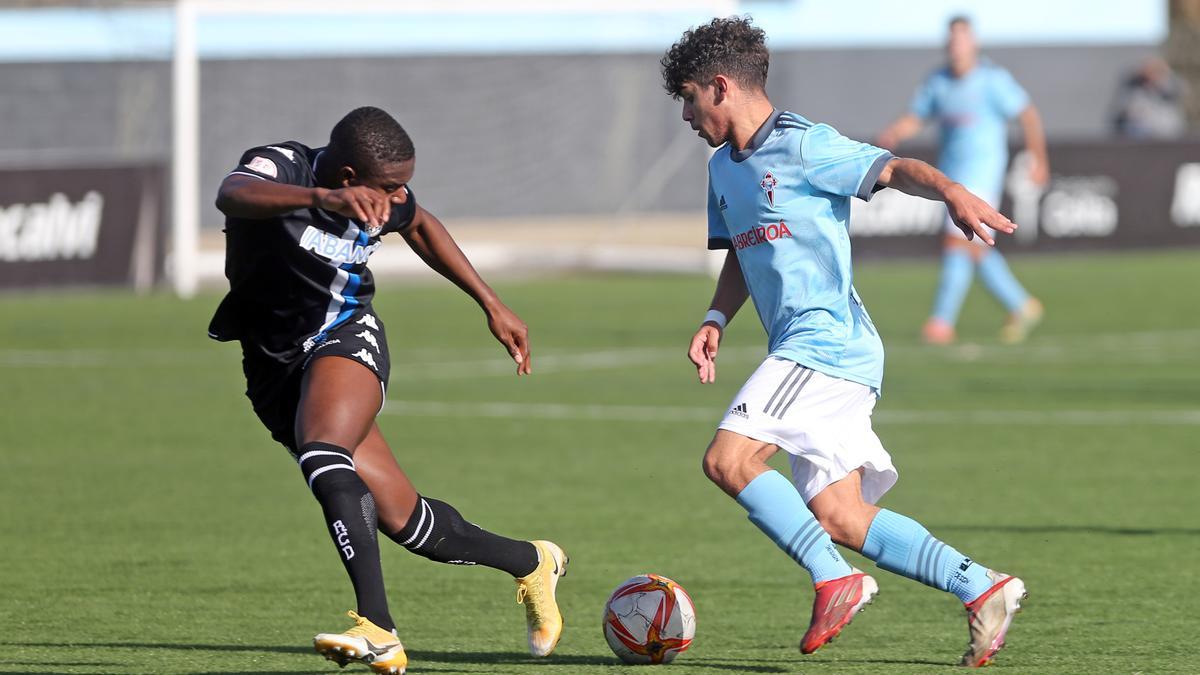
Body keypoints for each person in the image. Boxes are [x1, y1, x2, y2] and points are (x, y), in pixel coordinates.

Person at [661, 17, 1026, 667]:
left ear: (720, 87)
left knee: (728, 460)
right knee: (842, 517)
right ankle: (983, 585)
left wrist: (951, 192)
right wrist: (716, 318)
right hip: (818, 352)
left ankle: (836, 579)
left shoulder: (806, 145)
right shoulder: (723, 170)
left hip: (826, 344)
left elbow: (894, 167)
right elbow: (745, 252)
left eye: (689, 98)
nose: (686, 116)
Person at [208, 106, 567, 674]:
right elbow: (233, 194)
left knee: (322, 450)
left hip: (345, 336)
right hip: (272, 363)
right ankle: (533, 560)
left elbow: (422, 224)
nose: (401, 196)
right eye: (391, 186)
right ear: (348, 178)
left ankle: (378, 627)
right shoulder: (283, 167)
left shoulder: (388, 200)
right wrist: (322, 201)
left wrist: (491, 303)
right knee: (410, 523)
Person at [876, 15, 1047, 345]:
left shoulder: (992, 80)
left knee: (957, 241)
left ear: (974, 43)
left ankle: (941, 322)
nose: (956, 45)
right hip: (952, 178)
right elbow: (918, 116)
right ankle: (1021, 304)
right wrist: (895, 132)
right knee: (972, 247)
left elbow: (1027, 114)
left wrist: (1038, 158)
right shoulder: (938, 82)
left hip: (983, 174)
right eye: (952, 39)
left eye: (962, 38)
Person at [1112, 56, 1189, 139]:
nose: (1154, 76)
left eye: (1157, 72)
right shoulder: (1135, 88)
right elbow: (1126, 110)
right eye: (1151, 72)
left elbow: (1180, 91)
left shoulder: (1168, 87)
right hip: (1140, 130)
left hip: (1165, 131)